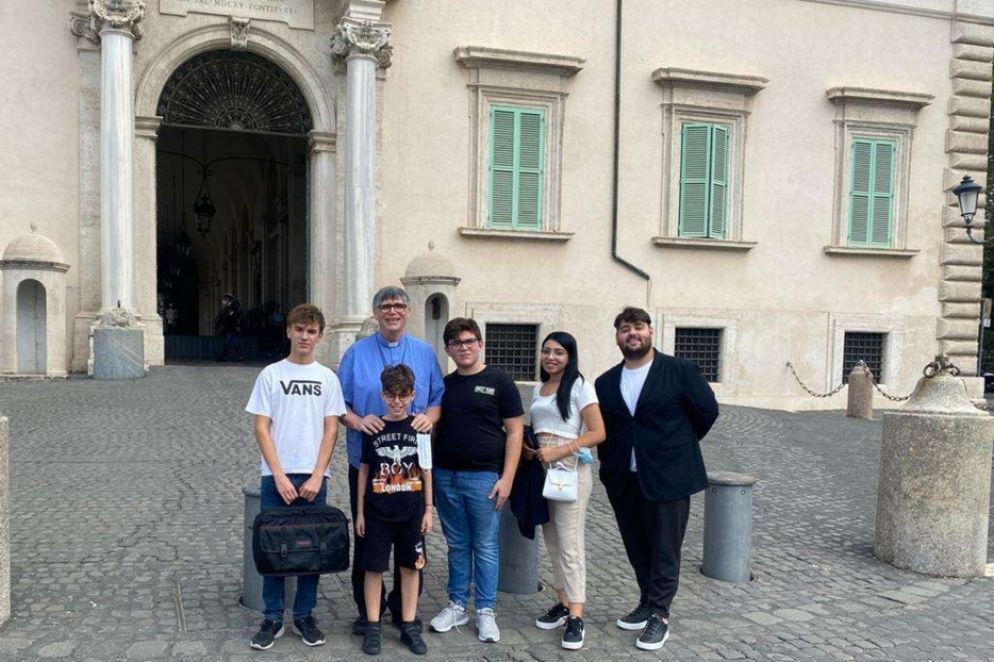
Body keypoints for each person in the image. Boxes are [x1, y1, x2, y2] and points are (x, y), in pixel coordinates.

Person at [594, 307, 719, 651]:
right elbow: (607, 427)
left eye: (637, 327)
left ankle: (660, 615)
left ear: (650, 331)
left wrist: (674, 446)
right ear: (617, 336)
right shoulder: (605, 382)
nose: (631, 333)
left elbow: (707, 412)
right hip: (624, 477)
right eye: (624, 329)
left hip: (670, 476)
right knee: (637, 545)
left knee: (665, 548)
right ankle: (647, 601)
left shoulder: (679, 371)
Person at [338, 286, 444, 633]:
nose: (393, 311)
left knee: (411, 541)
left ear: (408, 312)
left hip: (412, 469)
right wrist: (356, 420)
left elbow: (437, 398)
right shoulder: (356, 354)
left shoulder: (426, 354)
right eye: (386, 306)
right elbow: (340, 404)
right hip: (369, 462)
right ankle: (368, 612)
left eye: (399, 305)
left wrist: (429, 417)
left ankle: (403, 611)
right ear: (376, 312)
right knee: (368, 537)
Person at [244, 303, 346, 651]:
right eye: (299, 329)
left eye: (312, 331)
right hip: (277, 477)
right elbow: (261, 427)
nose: (305, 336)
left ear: (319, 336)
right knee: (274, 549)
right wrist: (279, 475)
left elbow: (331, 429)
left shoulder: (327, 378)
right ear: (289, 331)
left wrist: (318, 474)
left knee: (312, 550)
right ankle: (272, 616)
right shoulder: (271, 374)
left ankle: (305, 614)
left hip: (315, 477)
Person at [430, 317, 524, 643]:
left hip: (484, 476)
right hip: (446, 476)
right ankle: (457, 604)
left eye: (469, 341)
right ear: (448, 349)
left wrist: (507, 478)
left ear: (480, 344)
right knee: (457, 545)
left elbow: (515, 431)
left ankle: (485, 611)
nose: (464, 347)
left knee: (484, 545)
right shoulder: (445, 384)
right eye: (457, 343)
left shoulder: (500, 381)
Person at [523, 331, 606, 650]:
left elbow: (598, 432)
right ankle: (562, 602)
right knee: (552, 540)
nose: (551, 357)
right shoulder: (539, 388)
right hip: (542, 467)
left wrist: (562, 451)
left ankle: (577, 615)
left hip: (568, 467)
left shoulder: (581, 386)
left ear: (570, 356)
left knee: (570, 542)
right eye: (546, 352)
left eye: (558, 352)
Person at [356, 365, 433, 656]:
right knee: (373, 568)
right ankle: (373, 625)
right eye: (391, 396)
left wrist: (428, 509)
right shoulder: (373, 428)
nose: (397, 402)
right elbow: (364, 471)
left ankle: (409, 624)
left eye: (403, 396)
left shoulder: (419, 428)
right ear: (382, 394)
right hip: (377, 512)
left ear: (413, 395)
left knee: (411, 567)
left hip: (411, 511)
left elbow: (427, 470)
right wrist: (360, 512)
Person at [216, 293, 244, 361]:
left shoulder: (232, 308)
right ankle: (240, 356)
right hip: (231, 329)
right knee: (234, 343)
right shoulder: (229, 308)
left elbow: (233, 318)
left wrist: (236, 326)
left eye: (224, 299)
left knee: (227, 343)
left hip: (231, 329)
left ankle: (223, 357)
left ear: (228, 300)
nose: (223, 301)